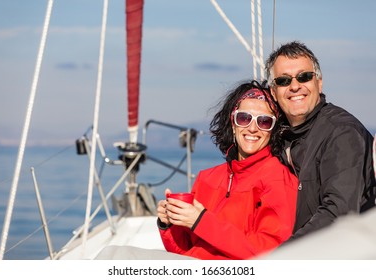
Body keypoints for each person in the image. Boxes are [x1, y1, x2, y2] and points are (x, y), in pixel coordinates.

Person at [156, 80, 299, 260]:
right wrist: (168, 224)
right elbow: (186, 250)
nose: (253, 128)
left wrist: (201, 221)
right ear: (233, 122)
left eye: (264, 121)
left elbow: (270, 253)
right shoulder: (207, 178)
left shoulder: (278, 179)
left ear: (273, 130)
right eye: (244, 118)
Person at [265, 40, 376, 241]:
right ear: (274, 91)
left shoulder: (342, 133)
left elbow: (339, 213)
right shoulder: (279, 136)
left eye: (304, 77)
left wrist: (281, 257)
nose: (295, 86)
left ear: (319, 82)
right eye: (283, 81)